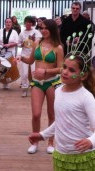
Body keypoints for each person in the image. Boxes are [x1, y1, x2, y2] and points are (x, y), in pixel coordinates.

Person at [28, 50, 95, 170]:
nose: (65, 72)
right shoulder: (58, 91)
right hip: (61, 154)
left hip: (83, 156)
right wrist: (43, 135)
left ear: (83, 75)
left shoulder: (86, 97)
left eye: (71, 70)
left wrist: (91, 141)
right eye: (64, 67)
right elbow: (60, 121)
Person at [20, 19, 64, 154]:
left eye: (46, 28)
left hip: (52, 82)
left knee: (51, 114)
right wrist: (21, 58)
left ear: (52, 30)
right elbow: (31, 60)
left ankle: (51, 142)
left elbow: (61, 68)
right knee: (36, 114)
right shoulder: (37, 43)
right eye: (41, 28)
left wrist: (46, 71)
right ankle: (35, 141)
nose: (43, 30)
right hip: (37, 83)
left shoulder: (58, 47)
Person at [18, 16, 42, 97]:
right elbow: (18, 44)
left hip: (34, 54)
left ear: (32, 23)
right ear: (24, 23)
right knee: (24, 73)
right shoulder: (22, 33)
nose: (28, 24)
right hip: (24, 55)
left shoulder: (36, 32)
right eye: (26, 22)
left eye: (30, 22)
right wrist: (22, 44)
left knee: (34, 72)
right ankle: (24, 89)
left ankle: (35, 88)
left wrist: (34, 40)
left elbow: (40, 42)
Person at [0, 17, 19, 89]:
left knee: (7, 68)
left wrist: (9, 45)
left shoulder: (14, 32)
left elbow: (17, 43)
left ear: (12, 23)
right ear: (5, 23)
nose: (8, 23)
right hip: (1, 52)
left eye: (10, 22)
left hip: (10, 52)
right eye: (7, 22)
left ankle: (5, 83)